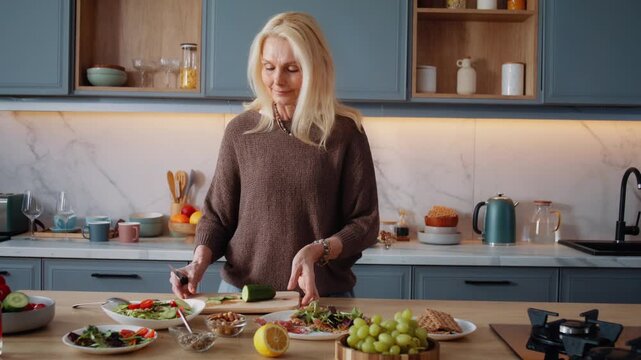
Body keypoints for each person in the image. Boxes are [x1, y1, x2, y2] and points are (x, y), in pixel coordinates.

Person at [170, 12, 379, 305]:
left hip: (320, 298)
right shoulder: (240, 131)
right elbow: (217, 218)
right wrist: (196, 265)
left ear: (315, 68)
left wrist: (318, 249)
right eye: (269, 67)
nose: (277, 80)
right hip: (242, 297)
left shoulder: (345, 133)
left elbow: (365, 223)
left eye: (291, 69)